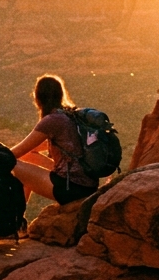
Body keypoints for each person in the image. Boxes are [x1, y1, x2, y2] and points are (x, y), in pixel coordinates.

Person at [8, 75, 100, 205]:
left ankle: (14, 220)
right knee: (27, 156)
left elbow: (13, 154)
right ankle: (20, 218)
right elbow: (31, 149)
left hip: (71, 188)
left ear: (38, 97)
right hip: (88, 185)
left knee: (10, 163)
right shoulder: (71, 114)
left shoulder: (52, 120)